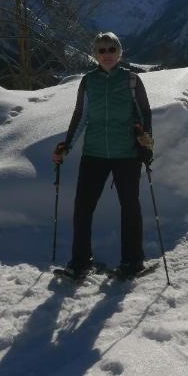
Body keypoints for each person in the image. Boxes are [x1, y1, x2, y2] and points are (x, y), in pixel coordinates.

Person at [52, 31, 154, 278]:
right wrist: (66, 146)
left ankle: (132, 262)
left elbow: (144, 114)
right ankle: (79, 262)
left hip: (126, 154)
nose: (106, 54)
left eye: (111, 49)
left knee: (130, 207)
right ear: (94, 54)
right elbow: (81, 116)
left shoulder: (131, 80)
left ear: (119, 52)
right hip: (94, 153)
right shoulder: (88, 81)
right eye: (101, 50)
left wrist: (146, 141)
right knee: (82, 207)